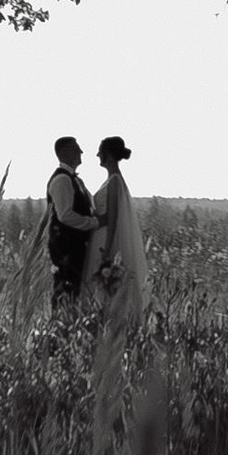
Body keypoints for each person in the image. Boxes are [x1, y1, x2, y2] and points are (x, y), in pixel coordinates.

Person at [93, 134, 146, 332]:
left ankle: (114, 323)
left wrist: (107, 248)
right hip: (101, 234)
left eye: (100, 151)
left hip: (106, 237)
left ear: (107, 154)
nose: (97, 155)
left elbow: (113, 216)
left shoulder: (114, 181)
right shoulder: (113, 179)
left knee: (107, 285)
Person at [45, 135, 95, 308]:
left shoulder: (75, 180)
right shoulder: (62, 180)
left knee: (74, 289)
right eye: (76, 148)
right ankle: (59, 326)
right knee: (65, 289)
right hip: (66, 247)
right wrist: (94, 223)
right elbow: (65, 215)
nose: (81, 152)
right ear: (65, 152)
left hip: (75, 246)